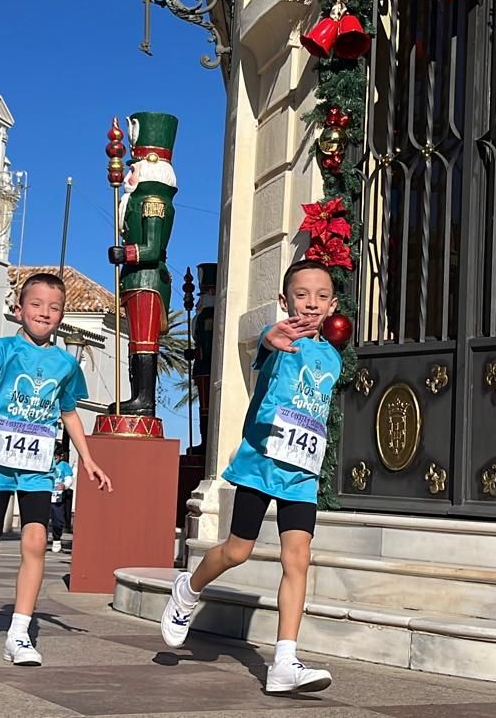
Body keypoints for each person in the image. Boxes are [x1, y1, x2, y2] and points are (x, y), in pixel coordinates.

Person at [159, 259, 339, 694]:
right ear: (284, 300)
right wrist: (271, 338)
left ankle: (283, 662)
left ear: (332, 304)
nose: (311, 304)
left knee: (298, 560)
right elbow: (265, 344)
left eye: (320, 296)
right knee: (238, 551)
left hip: (302, 475)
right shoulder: (278, 342)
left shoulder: (332, 357)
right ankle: (189, 587)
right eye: (301, 295)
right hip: (261, 465)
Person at [0, 272, 111, 666]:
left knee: (35, 544)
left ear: (62, 315)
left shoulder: (65, 364)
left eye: (54, 307)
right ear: (18, 310)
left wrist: (88, 459)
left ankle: (19, 633)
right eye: (36, 304)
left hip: (37, 467)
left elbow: (69, 414)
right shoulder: (0, 351)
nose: (45, 313)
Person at [48, 449, 74, 552]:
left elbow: (69, 478)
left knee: (58, 520)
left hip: (57, 496)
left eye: (56, 458)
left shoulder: (64, 466)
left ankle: (56, 539)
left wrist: (65, 485)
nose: (54, 461)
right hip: (46, 493)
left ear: (60, 456)